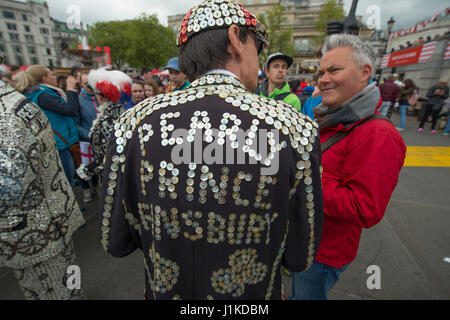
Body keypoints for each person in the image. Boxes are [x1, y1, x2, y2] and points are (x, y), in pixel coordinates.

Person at [100, 0, 323, 300]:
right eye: (258, 48)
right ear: (235, 39)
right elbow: (301, 255)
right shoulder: (293, 127)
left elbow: (114, 241)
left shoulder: (134, 122)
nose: (259, 62)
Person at [288, 34, 406, 300]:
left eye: (334, 70)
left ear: (365, 73)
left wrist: (301, 180)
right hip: (305, 242)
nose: (323, 79)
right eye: (320, 72)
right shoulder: (334, 118)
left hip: (323, 253)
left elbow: (365, 208)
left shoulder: (379, 134)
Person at [0, 58, 86, 300]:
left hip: (35, 232)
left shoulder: (5, 114)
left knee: (54, 291)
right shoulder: (15, 102)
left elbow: (10, 188)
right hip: (49, 221)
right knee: (70, 282)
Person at [24, 65, 80, 188]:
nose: (55, 76)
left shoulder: (42, 93)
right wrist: (70, 90)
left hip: (59, 140)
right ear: (44, 78)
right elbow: (70, 110)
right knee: (66, 178)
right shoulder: (43, 96)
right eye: (52, 74)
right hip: (60, 143)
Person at [76, 69, 131, 182]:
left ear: (100, 97)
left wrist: (87, 170)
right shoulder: (121, 113)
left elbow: (108, 157)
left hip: (114, 178)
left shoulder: (108, 121)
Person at [77, 72, 100, 202]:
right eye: (86, 83)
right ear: (80, 84)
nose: (90, 86)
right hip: (86, 140)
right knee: (84, 166)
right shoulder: (78, 99)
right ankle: (86, 189)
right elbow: (75, 122)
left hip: (99, 141)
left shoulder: (99, 96)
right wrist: (88, 134)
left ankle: (97, 188)